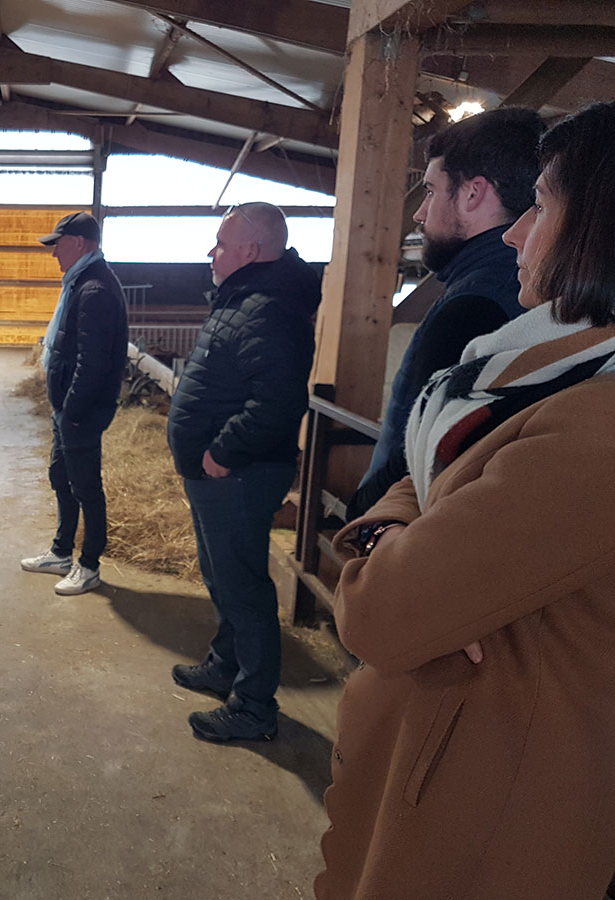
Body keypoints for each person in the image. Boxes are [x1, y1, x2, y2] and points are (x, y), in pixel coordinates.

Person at [317, 102, 615, 900]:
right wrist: (421, 541)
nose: (517, 234)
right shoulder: (534, 365)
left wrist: (387, 548)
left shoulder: (597, 425)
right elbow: (429, 474)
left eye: (545, 206)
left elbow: (385, 612)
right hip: (462, 755)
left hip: (492, 800)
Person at [166, 203, 320, 742]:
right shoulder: (248, 299)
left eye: (221, 243)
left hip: (238, 475)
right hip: (220, 477)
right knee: (222, 577)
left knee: (245, 588)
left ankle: (254, 706)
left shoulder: (270, 309)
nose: (212, 252)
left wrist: (222, 453)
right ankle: (224, 664)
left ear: (251, 251)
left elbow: (277, 403)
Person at [348, 108, 543, 519]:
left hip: (414, 529)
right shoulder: (518, 286)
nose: (420, 212)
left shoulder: (473, 308)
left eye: (431, 191)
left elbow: (424, 449)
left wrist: (365, 516)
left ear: (473, 194)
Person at [19, 212, 128, 596]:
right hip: (66, 406)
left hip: (79, 410)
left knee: (86, 487)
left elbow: (92, 362)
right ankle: (62, 551)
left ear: (79, 243)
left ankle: (89, 564)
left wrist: (74, 410)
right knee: (61, 478)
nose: (53, 254)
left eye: (58, 245)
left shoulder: (94, 289)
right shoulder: (81, 282)